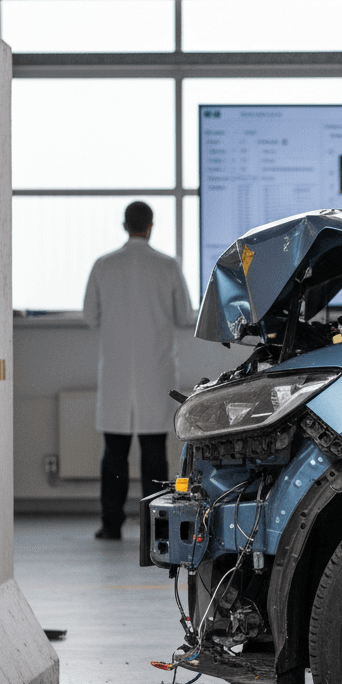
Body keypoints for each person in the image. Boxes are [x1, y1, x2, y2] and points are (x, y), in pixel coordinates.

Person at [83, 201, 194, 539]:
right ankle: (156, 528)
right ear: (151, 225)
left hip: (116, 374)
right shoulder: (168, 266)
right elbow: (184, 316)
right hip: (155, 372)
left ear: (124, 224)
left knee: (114, 455)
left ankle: (111, 524)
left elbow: (90, 317)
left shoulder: (103, 265)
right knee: (155, 454)